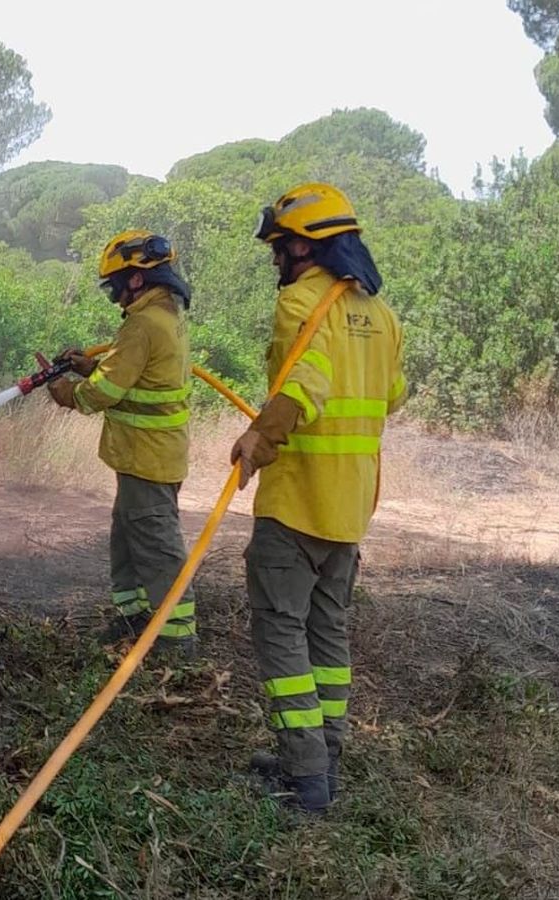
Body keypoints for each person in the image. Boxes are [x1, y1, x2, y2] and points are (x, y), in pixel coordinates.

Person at [230, 183, 407, 814]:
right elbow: (393, 397)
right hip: (350, 508)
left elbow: (305, 386)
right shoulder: (381, 315)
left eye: (278, 246)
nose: (275, 259)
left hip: (298, 504)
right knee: (327, 633)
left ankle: (304, 777)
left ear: (304, 245)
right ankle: (325, 754)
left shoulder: (304, 303)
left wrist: (259, 437)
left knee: (281, 634)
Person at [47, 230, 197, 655]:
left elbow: (103, 393)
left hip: (148, 458)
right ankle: (134, 619)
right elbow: (135, 375)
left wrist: (64, 390)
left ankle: (176, 639)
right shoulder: (163, 316)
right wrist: (88, 364)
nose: (113, 294)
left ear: (136, 279)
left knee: (157, 546)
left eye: (115, 284)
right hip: (146, 456)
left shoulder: (143, 324)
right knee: (129, 540)